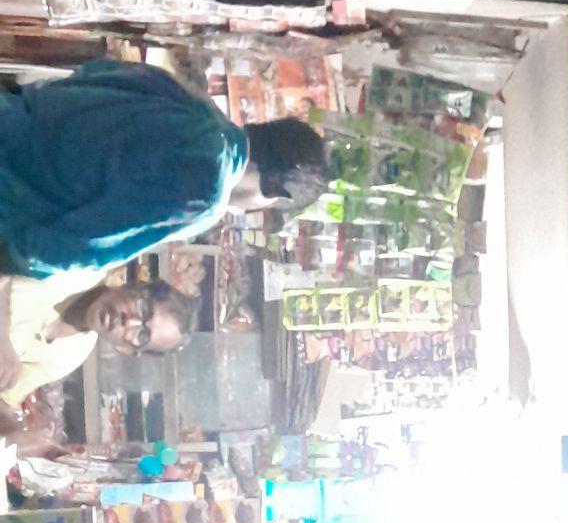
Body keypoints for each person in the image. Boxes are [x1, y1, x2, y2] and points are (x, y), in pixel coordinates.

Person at [0, 58, 329, 279]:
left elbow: (93, 71)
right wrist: (14, 262)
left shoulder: (191, 97)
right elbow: (85, 246)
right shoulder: (207, 192)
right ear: (273, 189)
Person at [0, 275, 200, 432]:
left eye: (142, 335)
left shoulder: (70, 356)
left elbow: (5, 398)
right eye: (143, 308)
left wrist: (20, 434)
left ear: (126, 349)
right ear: (133, 286)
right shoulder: (76, 265)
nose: (129, 321)